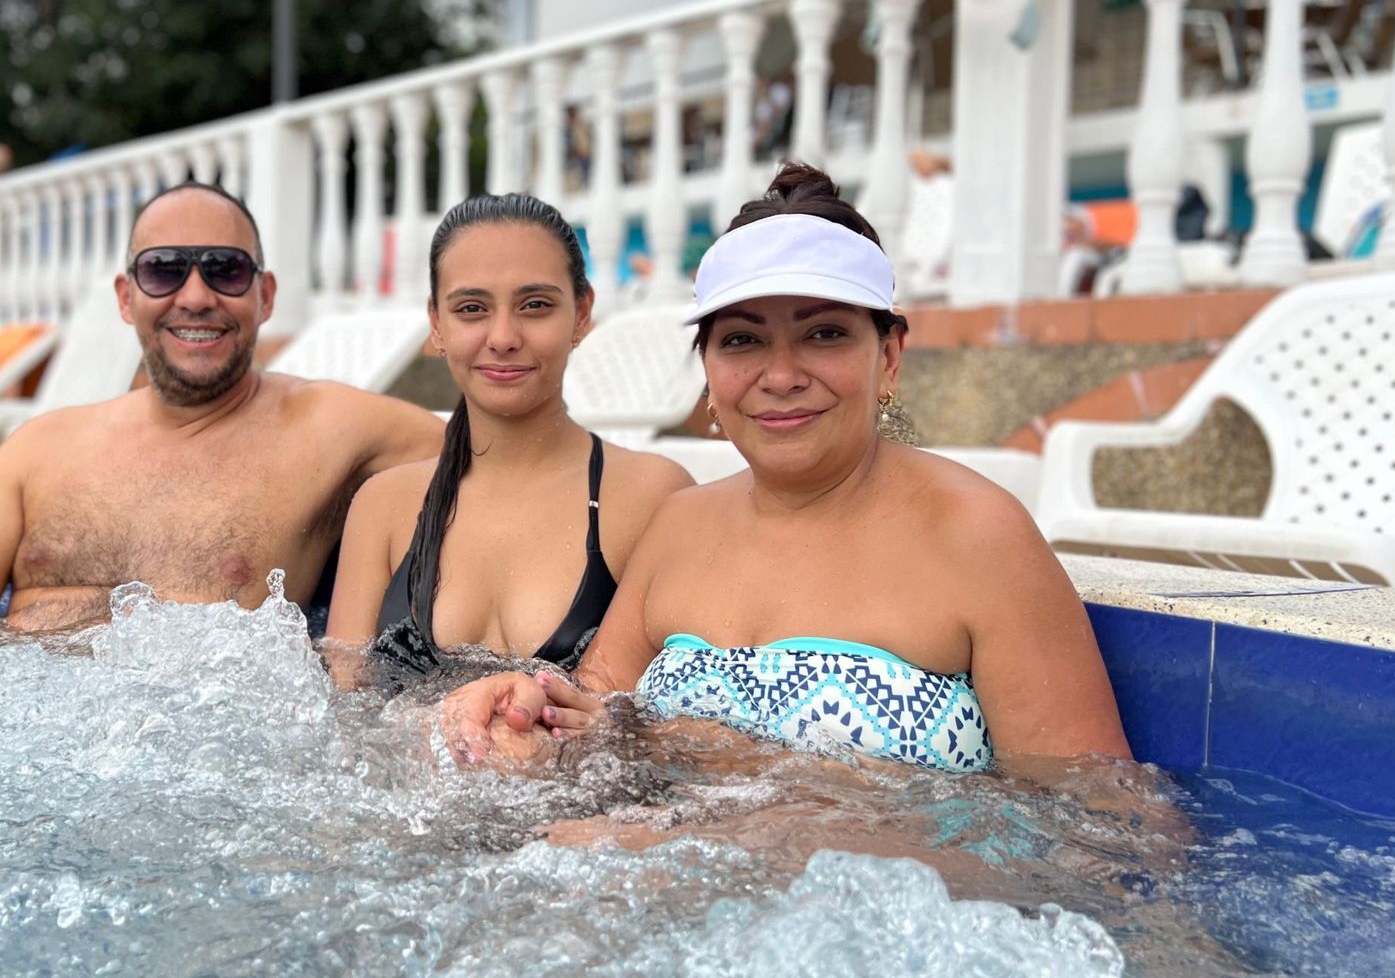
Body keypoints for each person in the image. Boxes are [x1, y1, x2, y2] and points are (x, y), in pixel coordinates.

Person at [443, 163, 1131, 776]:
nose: (780, 376)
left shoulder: (978, 537)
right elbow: (591, 710)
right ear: (709, 371)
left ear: (889, 356)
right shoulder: (681, 525)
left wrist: (769, 799)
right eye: (743, 340)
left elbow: (1104, 820)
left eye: (824, 334)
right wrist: (526, 708)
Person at [0, 182, 444, 630]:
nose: (195, 297)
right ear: (126, 297)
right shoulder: (34, 451)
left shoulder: (332, 428)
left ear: (265, 296)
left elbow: (487, 457)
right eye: (163, 269)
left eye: (225, 269)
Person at [326, 195, 691, 681]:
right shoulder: (384, 506)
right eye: (472, 308)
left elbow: (674, 709)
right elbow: (344, 706)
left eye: (535, 305)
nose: (502, 337)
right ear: (437, 324)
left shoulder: (650, 497)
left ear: (582, 313)